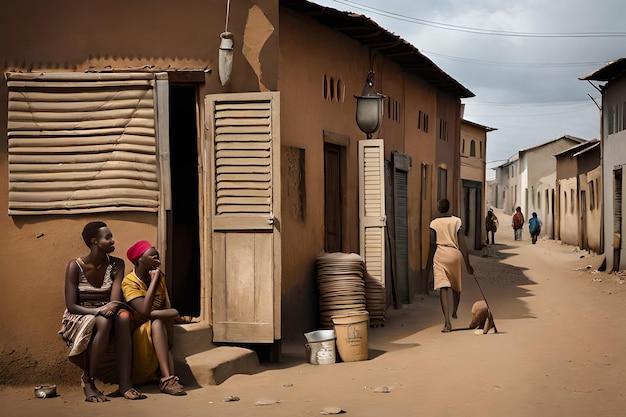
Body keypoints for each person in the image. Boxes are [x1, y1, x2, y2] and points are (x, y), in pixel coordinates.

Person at [59, 222, 145, 402]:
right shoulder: (75, 266)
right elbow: (72, 305)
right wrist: (97, 310)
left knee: (124, 317)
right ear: (94, 241)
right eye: (108, 237)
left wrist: (106, 309)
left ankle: (125, 383)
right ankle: (88, 380)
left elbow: (114, 301)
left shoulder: (117, 264)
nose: (113, 241)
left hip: (107, 311)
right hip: (80, 314)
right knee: (104, 321)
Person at [122, 240, 187, 396]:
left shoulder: (159, 277)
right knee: (156, 323)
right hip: (139, 333)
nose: (157, 259)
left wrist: (174, 314)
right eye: (153, 256)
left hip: (159, 331)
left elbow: (165, 307)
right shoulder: (129, 282)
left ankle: (168, 378)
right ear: (139, 260)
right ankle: (167, 379)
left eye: (157, 256)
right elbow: (144, 312)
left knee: (157, 322)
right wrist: (155, 281)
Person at [426, 199, 474, 333]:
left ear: (438, 208)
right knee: (456, 286)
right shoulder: (457, 221)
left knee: (443, 288)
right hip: (454, 254)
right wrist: (468, 264)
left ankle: (447, 323)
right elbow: (462, 244)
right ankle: (454, 311)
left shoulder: (434, 223)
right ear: (449, 207)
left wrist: (428, 264)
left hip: (440, 254)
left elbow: (431, 245)